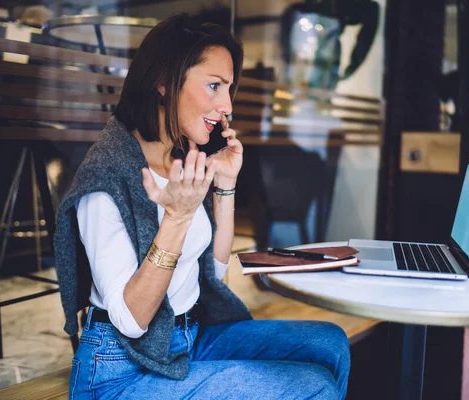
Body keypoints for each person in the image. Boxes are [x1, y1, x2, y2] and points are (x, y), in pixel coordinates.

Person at [53, 13, 350, 400]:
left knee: (329, 343)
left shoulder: (181, 159)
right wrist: (176, 218)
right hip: (121, 367)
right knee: (312, 388)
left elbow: (213, 274)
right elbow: (131, 320)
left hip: (188, 336)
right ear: (163, 81)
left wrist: (224, 187)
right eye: (213, 86)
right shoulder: (106, 177)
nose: (226, 105)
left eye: (228, 88)